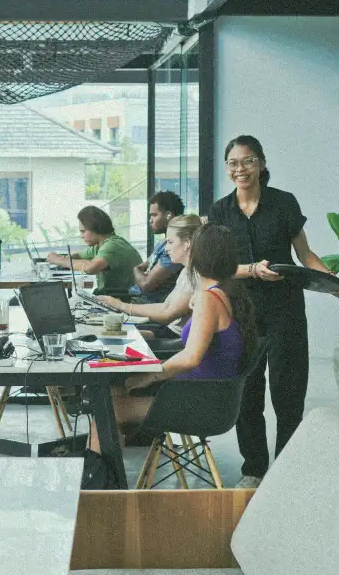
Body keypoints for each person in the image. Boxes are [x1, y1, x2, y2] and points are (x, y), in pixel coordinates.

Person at [209, 134, 338, 489]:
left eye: (248, 161)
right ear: (227, 168)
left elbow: (305, 255)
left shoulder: (283, 203)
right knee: (247, 393)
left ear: (262, 164)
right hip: (241, 314)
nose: (241, 169)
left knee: (288, 392)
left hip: (286, 310)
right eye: (234, 163)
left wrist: (331, 280)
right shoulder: (220, 211)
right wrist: (251, 269)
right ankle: (254, 468)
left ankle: (286, 472)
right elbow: (217, 266)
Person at [87, 223, 258, 456]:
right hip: (207, 395)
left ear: (197, 255)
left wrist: (149, 377)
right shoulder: (225, 292)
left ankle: (100, 488)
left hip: (199, 402)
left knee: (105, 409)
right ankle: (110, 481)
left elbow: (190, 357)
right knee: (115, 388)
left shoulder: (210, 299)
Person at [98, 214, 202, 341]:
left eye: (170, 242)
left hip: (172, 340)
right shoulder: (186, 271)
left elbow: (166, 315)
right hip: (165, 331)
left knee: (109, 337)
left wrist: (123, 306)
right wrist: (121, 306)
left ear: (187, 244)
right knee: (103, 333)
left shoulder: (196, 276)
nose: (166, 248)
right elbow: (165, 307)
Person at [46, 206, 142, 297]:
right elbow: (78, 255)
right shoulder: (100, 246)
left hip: (126, 302)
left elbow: (91, 268)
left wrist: (60, 260)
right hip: (113, 298)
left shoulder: (112, 246)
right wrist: (65, 259)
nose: (81, 236)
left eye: (83, 231)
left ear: (95, 227)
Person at [129, 191, 184, 303]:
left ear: (168, 215)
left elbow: (145, 284)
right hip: (137, 300)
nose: (150, 220)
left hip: (149, 304)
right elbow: (144, 269)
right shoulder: (162, 244)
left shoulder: (174, 249)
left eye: (154, 215)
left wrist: (136, 269)